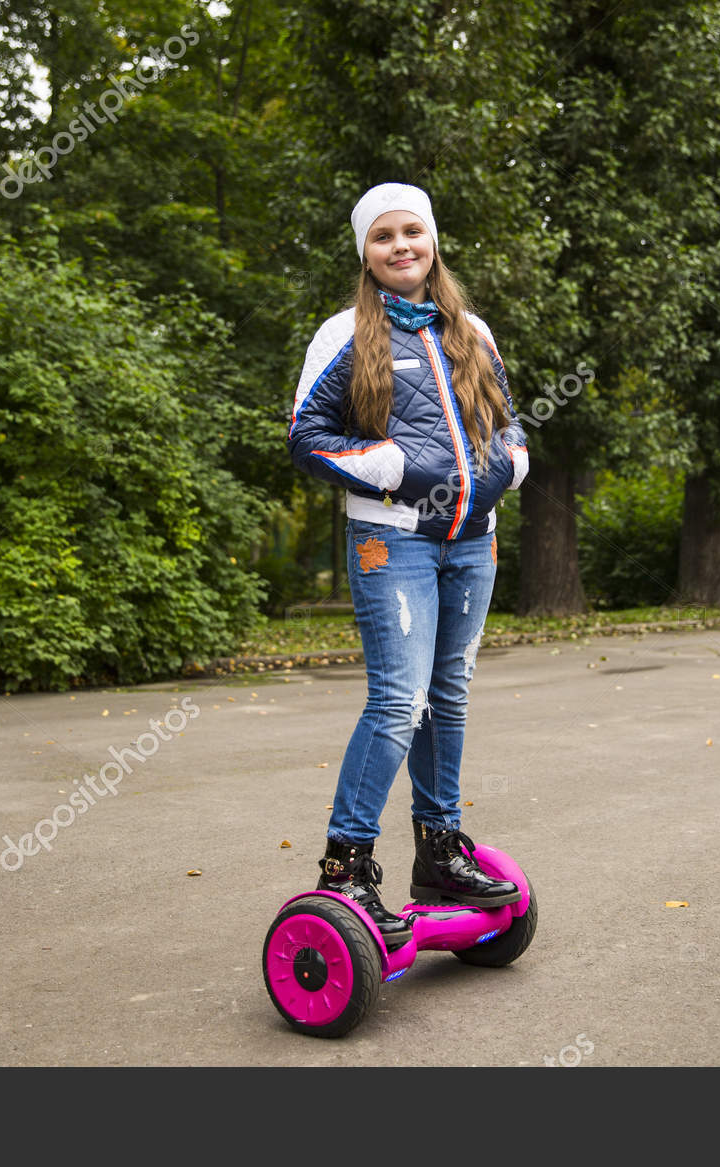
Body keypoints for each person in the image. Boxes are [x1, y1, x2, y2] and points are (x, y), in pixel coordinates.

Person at [286, 182, 528, 949]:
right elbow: (308, 437)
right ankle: (347, 863)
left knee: (448, 696)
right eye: (383, 236)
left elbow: (506, 417)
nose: (401, 246)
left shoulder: (472, 330)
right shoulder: (342, 336)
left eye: (412, 232)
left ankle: (440, 852)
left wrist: (512, 462)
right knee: (399, 700)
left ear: (433, 242)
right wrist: (388, 464)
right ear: (366, 251)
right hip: (391, 541)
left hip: (472, 538)